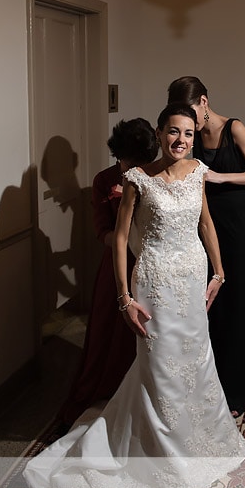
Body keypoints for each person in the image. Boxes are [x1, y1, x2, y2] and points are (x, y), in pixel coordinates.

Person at [24, 104, 245, 488]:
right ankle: (158, 454)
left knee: (196, 360)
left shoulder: (198, 170)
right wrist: (124, 298)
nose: (181, 140)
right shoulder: (136, 179)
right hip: (156, 284)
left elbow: (206, 223)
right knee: (159, 366)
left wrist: (218, 272)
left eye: (188, 133)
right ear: (160, 133)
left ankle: (199, 442)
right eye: (173, 132)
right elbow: (122, 239)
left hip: (192, 281)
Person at [167, 76, 245, 416]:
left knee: (236, 300)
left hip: (237, 225)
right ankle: (205, 383)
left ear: (205, 102)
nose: (189, 124)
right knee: (206, 302)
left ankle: (236, 389)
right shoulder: (187, 134)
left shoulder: (234, 128)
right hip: (203, 223)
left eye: (193, 113)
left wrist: (220, 177)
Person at [57, 118, 159, 428]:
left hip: (152, 262)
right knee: (108, 327)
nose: (131, 166)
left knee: (149, 329)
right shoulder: (104, 180)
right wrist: (122, 242)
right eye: (126, 159)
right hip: (117, 263)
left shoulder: (157, 174)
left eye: (139, 160)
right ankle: (106, 390)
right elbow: (101, 229)